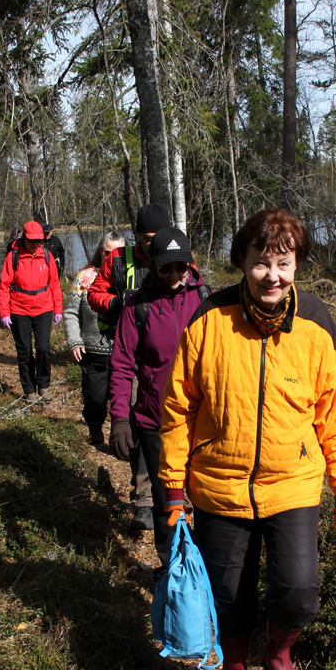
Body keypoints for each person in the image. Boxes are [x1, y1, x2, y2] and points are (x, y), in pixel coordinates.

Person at [159, 208, 336, 670]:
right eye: (260, 263)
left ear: (297, 266)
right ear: (242, 263)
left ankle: (278, 655)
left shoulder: (317, 325)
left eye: (285, 264)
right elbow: (179, 409)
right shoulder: (209, 320)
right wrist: (175, 488)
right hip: (219, 487)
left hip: (292, 484)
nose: (273, 276)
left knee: (297, 592)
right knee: (229, 595)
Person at [108, 226, 211, 570]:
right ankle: (172, 570)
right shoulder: (137, 305)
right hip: (156, 422)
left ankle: (210, 567)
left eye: (179, 267)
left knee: (208, 497)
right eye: (164, 268)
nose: (172, 275)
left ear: (189, 265)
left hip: (203, 420)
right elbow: (122, 365)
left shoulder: (205, 299)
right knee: (168, 499)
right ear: (153, 266)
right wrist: (120, 418)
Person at [88, 202, 172, 532]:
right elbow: (95, 294)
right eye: (144, 237)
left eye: (156, 237)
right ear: (136, 236)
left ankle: (177, 493)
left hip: (167, 358)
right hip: (129, 353)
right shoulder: (118, 260)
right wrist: (118, 303)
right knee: (141, 427)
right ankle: (145, 501)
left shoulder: (176, 258)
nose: (150, 244)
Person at [63, 230, 126, 448]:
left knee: (125, 399)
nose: (111, 258)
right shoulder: (85, 278)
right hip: (93, 353)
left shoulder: (131, 278)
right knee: (95, 399)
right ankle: (95, 425)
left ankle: (121, 435)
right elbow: (71, 313)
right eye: (107, 253)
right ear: (101, 252)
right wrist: (75, 340)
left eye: (117, 253)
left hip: (123, 352)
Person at [0, 219, 63, 404]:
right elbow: (3, 286)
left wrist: (58, 308)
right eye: (31, 241)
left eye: (38, 241)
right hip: (19, 309)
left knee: (43, 348)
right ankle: (29, 390)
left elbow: (55, 285)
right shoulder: (14, 257)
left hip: (44, 307)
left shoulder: (47, 256)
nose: (35, 245)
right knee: (24, 351)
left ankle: (43, 385)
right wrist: (4, 312)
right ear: (24, 238)